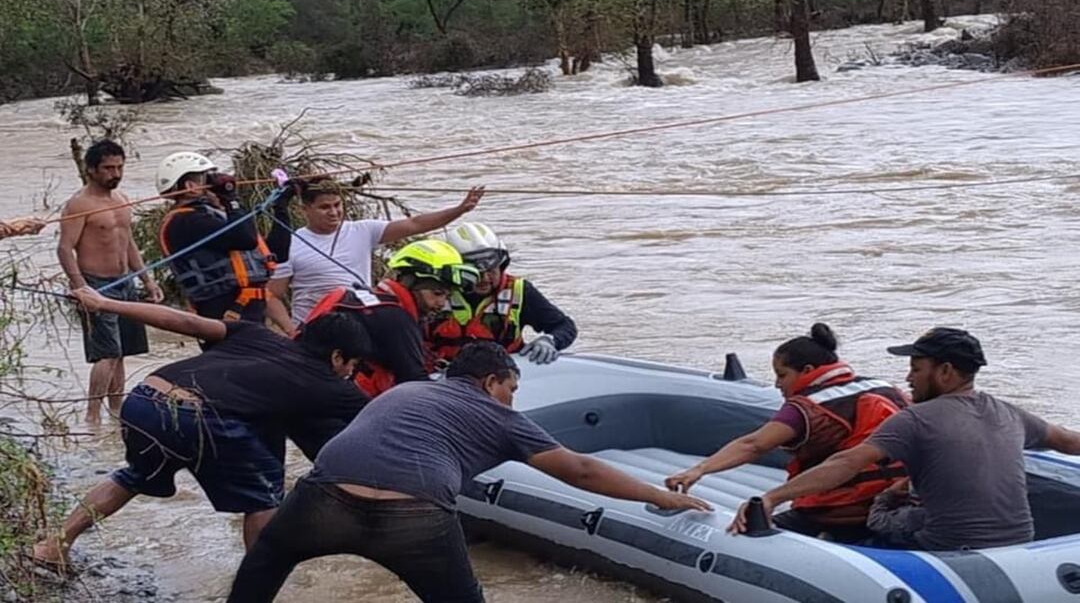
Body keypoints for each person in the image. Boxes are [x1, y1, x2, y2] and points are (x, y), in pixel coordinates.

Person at [227, 341, 712, 603]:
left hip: (327, 497)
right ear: (490, 382)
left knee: (267, 559)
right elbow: (581, 471)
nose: (513, 399)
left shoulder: (405, 392)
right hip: (414, 514)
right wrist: (662, 497)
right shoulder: (501, 416)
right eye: (511, 388)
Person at [31, 286, 370, 570]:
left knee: (133, 476)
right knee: (265, 496)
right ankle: (258, 583)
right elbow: (386, 421)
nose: (350, 374)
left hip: (145, 398)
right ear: (338, 357)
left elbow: (185, 321)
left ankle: (55, 545)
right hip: (200, 417)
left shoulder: (256, 334)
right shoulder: (333, 386)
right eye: (353, 365)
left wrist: (105, 303)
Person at [729, 327, 1080, 550]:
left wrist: (773, 497)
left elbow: (845, 463)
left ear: (945, 372)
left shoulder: (916, 419)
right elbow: (1067, 441)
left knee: (865, 530)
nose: (908, 378)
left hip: (945, 547)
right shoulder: (1008, 412)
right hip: (1021, 543)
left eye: (916, 368)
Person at [666, 323, 908, 542]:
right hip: (892, 503)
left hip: (837, 512)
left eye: (782, 375)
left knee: (744, 532)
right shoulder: (886, 388)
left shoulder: (806, 407)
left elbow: (754, 445)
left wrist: (699, 470)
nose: (777, 384)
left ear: (808, 370)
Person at [266, 177, 484, 332]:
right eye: (325, 207)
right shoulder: (291, 243)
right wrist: (290, 329)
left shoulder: (363, 230)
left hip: (360, 325)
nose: (334, 212)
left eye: (337, 205)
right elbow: (272, 295)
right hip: (312, 327)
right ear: (305, 209)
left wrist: (459, 209)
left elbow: (414, 224)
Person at [58, 140, 162, 424]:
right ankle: (92, 417)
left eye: (119, 167)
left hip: (125, 282)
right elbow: (65, 248)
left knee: (123, 352)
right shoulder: (79, 204)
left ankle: (117, 413)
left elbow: (128, 244)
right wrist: (80, 286)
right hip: (96, 284)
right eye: (108, 168)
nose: (115, 173)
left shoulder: (122, 200)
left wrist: (147, 280)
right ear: (91, 170)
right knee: (107, 353)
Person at [302, 238, 479, 398]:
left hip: (309, 383)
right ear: (410, 284)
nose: (441, 303)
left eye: (446, 297)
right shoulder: (397, 320)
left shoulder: (367, 300)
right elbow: (415, 383)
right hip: (342, 401)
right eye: (437, 293)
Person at [155, 151, 294, 325]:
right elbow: (246, 240)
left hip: (247, 310)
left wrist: (281, 207)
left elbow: (278, 254)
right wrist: (231, 199)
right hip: (223, 312)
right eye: (208, 179)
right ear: (191, 186)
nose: (215, 182)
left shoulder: (214, 217)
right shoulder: (186, 222)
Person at [432, 223, 576, 365]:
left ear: (501, 266)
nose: (484, 279)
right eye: (476, 274)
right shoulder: (434, 292)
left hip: (502, 379)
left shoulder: (519, 291)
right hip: (442, 377)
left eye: (491, 271)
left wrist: (549, 340)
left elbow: (564, 325)